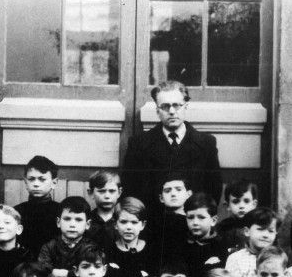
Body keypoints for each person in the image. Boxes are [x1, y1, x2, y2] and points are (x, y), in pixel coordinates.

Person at [122, 80, 222, 223]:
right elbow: (131, 188)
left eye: (176, 105)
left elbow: (214, 189)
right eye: (165, 106)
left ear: (186, 106)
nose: (172, 111)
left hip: (193, 226)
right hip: (153, 226)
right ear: (157, 110)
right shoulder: (139, 144)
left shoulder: (206, 143)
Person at [38, 196, 95, 277]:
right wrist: (73, 274)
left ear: (87, 224)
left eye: (78, 220)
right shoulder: (49, 246)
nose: (72, 224)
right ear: (58, 222)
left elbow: (89, 273)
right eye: (67, 219)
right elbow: (43, 271)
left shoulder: (91, 248)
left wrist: (63, 273)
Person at [183, 193, 228, 277]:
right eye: (190, 217)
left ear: (213, 220)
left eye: (201, 217)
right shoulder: (182, 246)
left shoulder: (221, 246)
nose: (195, 222)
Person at [225, 207, 279, 277]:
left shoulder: (277, 260)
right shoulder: (235, 258)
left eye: (270, 231)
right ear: (247, 231)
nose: (265, 235)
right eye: (260, 229)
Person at [105, 198, 156, 277]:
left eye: (134, 222)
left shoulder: (152, 250)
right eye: (123, 222)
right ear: (115, 224)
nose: (129, 227)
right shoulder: (109, 251)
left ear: (143, 225)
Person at [16, 155, 62, 255]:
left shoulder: (61, 212)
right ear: (25, 182)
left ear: (54, 183)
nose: (36, 184)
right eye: (31, 179)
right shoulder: (17, 211)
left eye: (42, 179)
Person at [217, 179, 259, 255]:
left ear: (254, 204)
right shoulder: (223, 227)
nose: (241, 206)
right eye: (236, 201)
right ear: (227, 205)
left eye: (246, 201)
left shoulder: (258, 226)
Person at [86, 170, 122, 248]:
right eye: (101, 191)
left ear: (119, 192)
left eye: (112, 191)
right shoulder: (86, 221)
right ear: (91, 193)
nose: (107, 196)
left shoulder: (123, 221)